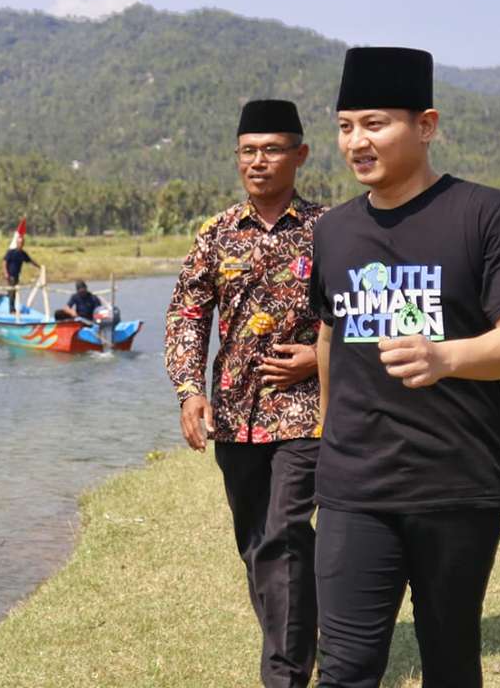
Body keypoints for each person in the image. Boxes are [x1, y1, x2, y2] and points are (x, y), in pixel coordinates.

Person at [308, 47, 500, 687]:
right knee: (344, 669)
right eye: (344, 127)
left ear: (426, 125)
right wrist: (328, 431)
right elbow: (332, 333)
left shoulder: (487, 214)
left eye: (373, 123)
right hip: (353, 490)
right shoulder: (333, 232)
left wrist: (444, 356)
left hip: (455, 485)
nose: (355, 142)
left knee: (450, 662)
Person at [165, 99, 325, 688]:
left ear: (300, 155)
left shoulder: (329, 229)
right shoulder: (215, 234)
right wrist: (189, 391)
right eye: (248, 152)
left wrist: (317, 357)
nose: (259, 162)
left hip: (306, 415)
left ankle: (283, 675)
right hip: (234, 417)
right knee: (255, 542)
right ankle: (298, 639)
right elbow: (186, 313)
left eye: (272, 149)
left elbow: (361, 315)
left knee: (284, 532)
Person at [3, 219, 39, 313]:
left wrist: (39, 267)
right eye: (20, 243)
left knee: (13, 291)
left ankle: (11, 306)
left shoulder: (23, 253)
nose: (21, 244)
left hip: (16, 275)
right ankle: (11, 309)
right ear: (17, 243)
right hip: (10, 274)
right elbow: (5, 262)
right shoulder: (11, 252)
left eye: (22, 243)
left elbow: (30, 261)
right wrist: (6, 273)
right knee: (12, 291)